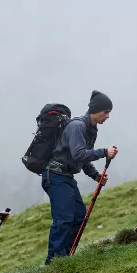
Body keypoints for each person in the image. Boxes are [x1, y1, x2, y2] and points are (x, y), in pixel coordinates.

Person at [42, 90, 117, 263]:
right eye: (105, 112)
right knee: (64, 219)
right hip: (54, 175)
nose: (107, 116)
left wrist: (95, 175)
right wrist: (104, 152)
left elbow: (82, 158)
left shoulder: (91, 129)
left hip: (65, 176)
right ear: (95, 110)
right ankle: (53, 262)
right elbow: (79, 154)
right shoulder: (77, 126)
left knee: (79, 216)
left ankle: (65, 257)